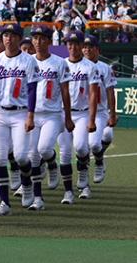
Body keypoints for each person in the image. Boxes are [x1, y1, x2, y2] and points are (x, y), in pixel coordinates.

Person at [0, 23, 40, 216]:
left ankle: (26, 183)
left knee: (20, 156)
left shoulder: (28, 60)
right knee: (0, 159)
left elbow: (33, 89)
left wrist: (30, 114)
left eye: (12, 35)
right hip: (0, 112)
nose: (8, 39)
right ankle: (5, 203)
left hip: (20, 112)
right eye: (5, 35)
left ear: (20, 39)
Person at [28, 25, 74, 211]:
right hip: (32, 114)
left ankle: (54, 166)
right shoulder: (27, 60)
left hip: (52, 114)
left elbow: (65, 92)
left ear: (49, 41)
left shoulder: (59, 62)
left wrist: (68, 117)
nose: (38, 42)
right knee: (33, 156)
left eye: (42, 38)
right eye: (35, 38)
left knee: (44, 148)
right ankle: (38, 197)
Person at [57, 30, 98, 204]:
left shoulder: (90, 66)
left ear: (82, 45)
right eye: (69, 44)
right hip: (62, 113)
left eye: (76, 44)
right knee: (65, 153)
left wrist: (92, 119)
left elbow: (94, 94)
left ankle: (84, 179)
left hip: (82, 113)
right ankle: (68, 192)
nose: (72, 47)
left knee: (81, 148)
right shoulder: (60, 63)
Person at [82, 35, 118, 188]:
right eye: (85, 47)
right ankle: (83, 184)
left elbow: (110, 92)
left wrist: (112, 114)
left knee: (95, 144)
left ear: (98, 50)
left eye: (91, 47)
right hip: (81, 112)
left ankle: (98, 160)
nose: (87, 50)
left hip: (99, 112)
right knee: (81, 147)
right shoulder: (78, 65)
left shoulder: (105, 68)